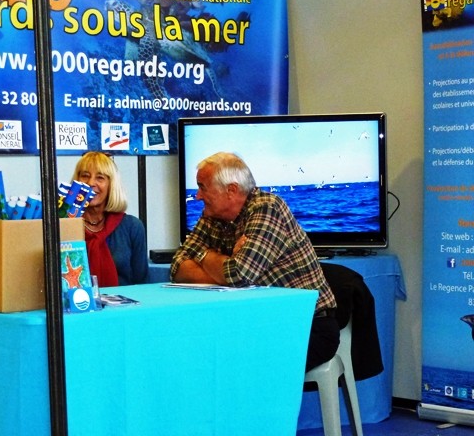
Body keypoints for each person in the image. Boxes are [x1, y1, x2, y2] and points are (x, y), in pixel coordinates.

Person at [170, 152, 339, 371]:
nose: (198, 196)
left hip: (305, 326)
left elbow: (239, 275)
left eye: (203, 187)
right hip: (255, 323)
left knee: (236, 366)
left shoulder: (268, 207)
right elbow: (177, 267)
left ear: (231, 190)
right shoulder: (211, 216)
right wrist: (226, 265)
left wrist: (204, 255)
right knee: (193, 355)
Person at [71, 151, 148, 287]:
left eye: (100, 178)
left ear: (111, 185)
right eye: (85, 176)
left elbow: (141, 282)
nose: (91, 183)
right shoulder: (64, 224)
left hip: (124, 305)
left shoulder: (132, 227)